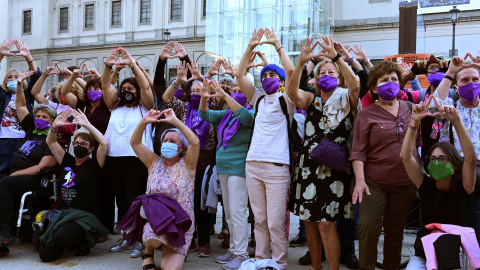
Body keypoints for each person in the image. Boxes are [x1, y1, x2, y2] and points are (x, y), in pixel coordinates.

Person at [287, 37, 359, 270]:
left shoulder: (347, 97)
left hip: (334, 168)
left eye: (331, 72)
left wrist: (337, 58)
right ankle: (316, 266)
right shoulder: (311, 98)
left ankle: (333, 268)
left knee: (327, 224)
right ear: (316, 79)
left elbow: (356, 84)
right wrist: (301, 62)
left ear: (339, 78)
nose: (326, 75)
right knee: (309, 220)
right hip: (308, 165)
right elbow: (290, 90)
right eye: (322, 73)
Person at [235, 28, 294, 270]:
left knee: (275, 222)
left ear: (280, 83)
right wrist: (250, 47)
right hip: (253, 164)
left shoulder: (286, 99)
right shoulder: (258, 99)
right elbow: (239, 75)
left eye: (273, 75)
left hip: (277, 167)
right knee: (258, 219)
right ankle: (261, 261)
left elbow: (291, 70)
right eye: (265, 74)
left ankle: (278, 263)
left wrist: (278, 46)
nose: (268, 77)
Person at [350, 60, 418, 270]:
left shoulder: (410, 109)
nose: (390, 83)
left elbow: (419, 144)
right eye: (384, 80)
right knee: (368, 228)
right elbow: (358, 151)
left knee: (395, 231)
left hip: (405, 182)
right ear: (374, 87)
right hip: (374, 183)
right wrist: (360, 181)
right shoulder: (366, 115)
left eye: (394, 79)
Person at [400, 95, 476, 269]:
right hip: (424, 254)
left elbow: (470, 159)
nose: (436, 162)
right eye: (432, 159)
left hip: (455, 255)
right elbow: (405, 157)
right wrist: (414, 123)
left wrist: (456, 121)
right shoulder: (426, 185)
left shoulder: (464, 187)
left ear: (455, 165)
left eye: (443, 159)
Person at [101, 47, 154, 258]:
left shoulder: (146, 107)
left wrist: (132, 65)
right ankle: (127, 235)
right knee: (121, 199)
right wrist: (108, 65)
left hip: (137, 159)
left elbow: (146, 86)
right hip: (115, 157)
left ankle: (141, 240)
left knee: (135, 198)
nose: (127, 91)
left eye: (131, 88)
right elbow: (106, 85)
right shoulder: (114, 106)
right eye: (124, 88)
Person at [130, 108, 199, 270]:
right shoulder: (153, 162)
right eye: (165, 140)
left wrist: (175, 121)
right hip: (156, 220)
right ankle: (148, 252)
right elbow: (135, 143)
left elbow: (195, 142)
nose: (167, 143)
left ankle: (172, 248)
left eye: (173, 141)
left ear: (181, 147)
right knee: (153, 239)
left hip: (180, 223)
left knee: (170, 268)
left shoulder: (188, 165)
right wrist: (144, 121)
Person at [162, 61, 219, 257]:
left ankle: (204, 241)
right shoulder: (183, 108)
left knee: (201, 203)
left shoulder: (213, 105)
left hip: (205, 161)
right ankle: (189, 239)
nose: (196, 93)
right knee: (185, 202)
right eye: (193, 91)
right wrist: (178, 81)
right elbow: (166, 97)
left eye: (199, 90)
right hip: (185, 161)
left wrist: (203, 78)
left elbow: (217, 93)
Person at [38, 109, 109, 262]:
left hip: (83, 215)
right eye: (76, 143)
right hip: (63, 213)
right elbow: (51, 141)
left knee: (62, 236)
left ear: (91, 149)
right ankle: (66, 242)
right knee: (43, 251)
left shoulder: (95, 164)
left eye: (84, 144)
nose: (79, 146)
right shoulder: (67, 160)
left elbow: (104, 143)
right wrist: (54, 127)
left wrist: (87, 124)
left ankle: (83, 241)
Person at [0, 70, 58, 255]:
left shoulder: (53, 139)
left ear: (52, 121)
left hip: (36, 178)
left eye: (44, 118)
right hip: (15, 177)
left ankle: (4, 233)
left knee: (6, 183)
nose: (39, 120)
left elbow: (43, 166)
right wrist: (19, 86)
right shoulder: (32, 130)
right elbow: (21, 106)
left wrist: (15, 174)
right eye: (38, 116)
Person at [198, 79, 254, 269]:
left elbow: (244, 118)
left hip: (239, 169)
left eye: (241, 91)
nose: (237, 93)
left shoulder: (251, 112)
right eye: (235, 90)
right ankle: (233, 250)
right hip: (223, 168)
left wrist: (226, 95)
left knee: (238, 212)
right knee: (229, 213)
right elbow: (204, 114)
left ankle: (242, 253)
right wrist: (204, 98)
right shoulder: (226, 114)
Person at [433, 55, 480, 243]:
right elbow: (433, 102)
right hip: (452, 172)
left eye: (475, 80)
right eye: (465, 80)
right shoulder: (448, 108)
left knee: (477, 221)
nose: (471, 84)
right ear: (456, 86)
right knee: (453, 222)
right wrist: (451, 72)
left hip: (479, 174)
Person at [0, 40, 41, 174]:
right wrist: (0, 55)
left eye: (16, 77)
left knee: (19, 172)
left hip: (25, 139)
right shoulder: (2, 95)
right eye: (10, 77)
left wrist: (28, 57)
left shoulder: (27, 96)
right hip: (4, 140)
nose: (13, 79)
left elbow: (36, 76)